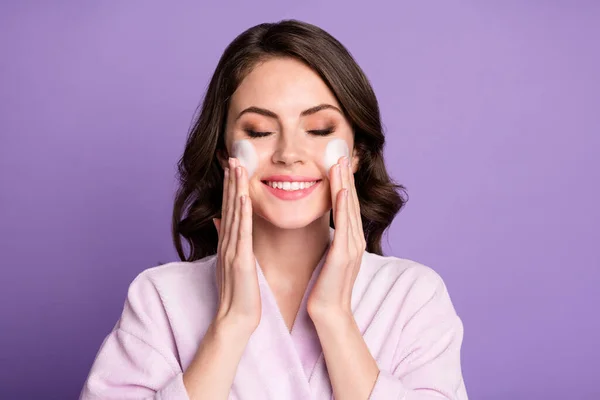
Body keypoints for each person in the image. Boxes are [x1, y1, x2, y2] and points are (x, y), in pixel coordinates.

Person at [80, 19, 468, 400]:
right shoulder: (159, 297)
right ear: (223, 153)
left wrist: (335, 318)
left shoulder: (413, 295)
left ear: (356, 154)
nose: (288, 155)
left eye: (318, 130)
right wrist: (231, 325)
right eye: (259, 132)